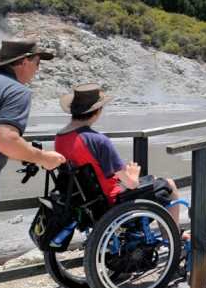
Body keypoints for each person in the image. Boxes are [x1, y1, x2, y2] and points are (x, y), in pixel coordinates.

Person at [0, 39, 66, 277]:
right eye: (37, 63)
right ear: (24, 61)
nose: (38, 69)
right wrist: (42, 157)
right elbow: (6, 140)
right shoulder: (16, 91)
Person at [54, 84, 185, 231]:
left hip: (85, 203)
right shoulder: (98, 140)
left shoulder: (60, 138)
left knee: (150, 181)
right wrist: (133, 175)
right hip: (112, 203)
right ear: (97, 111)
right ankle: (174, 239)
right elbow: (131, 184)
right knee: (168, 184)